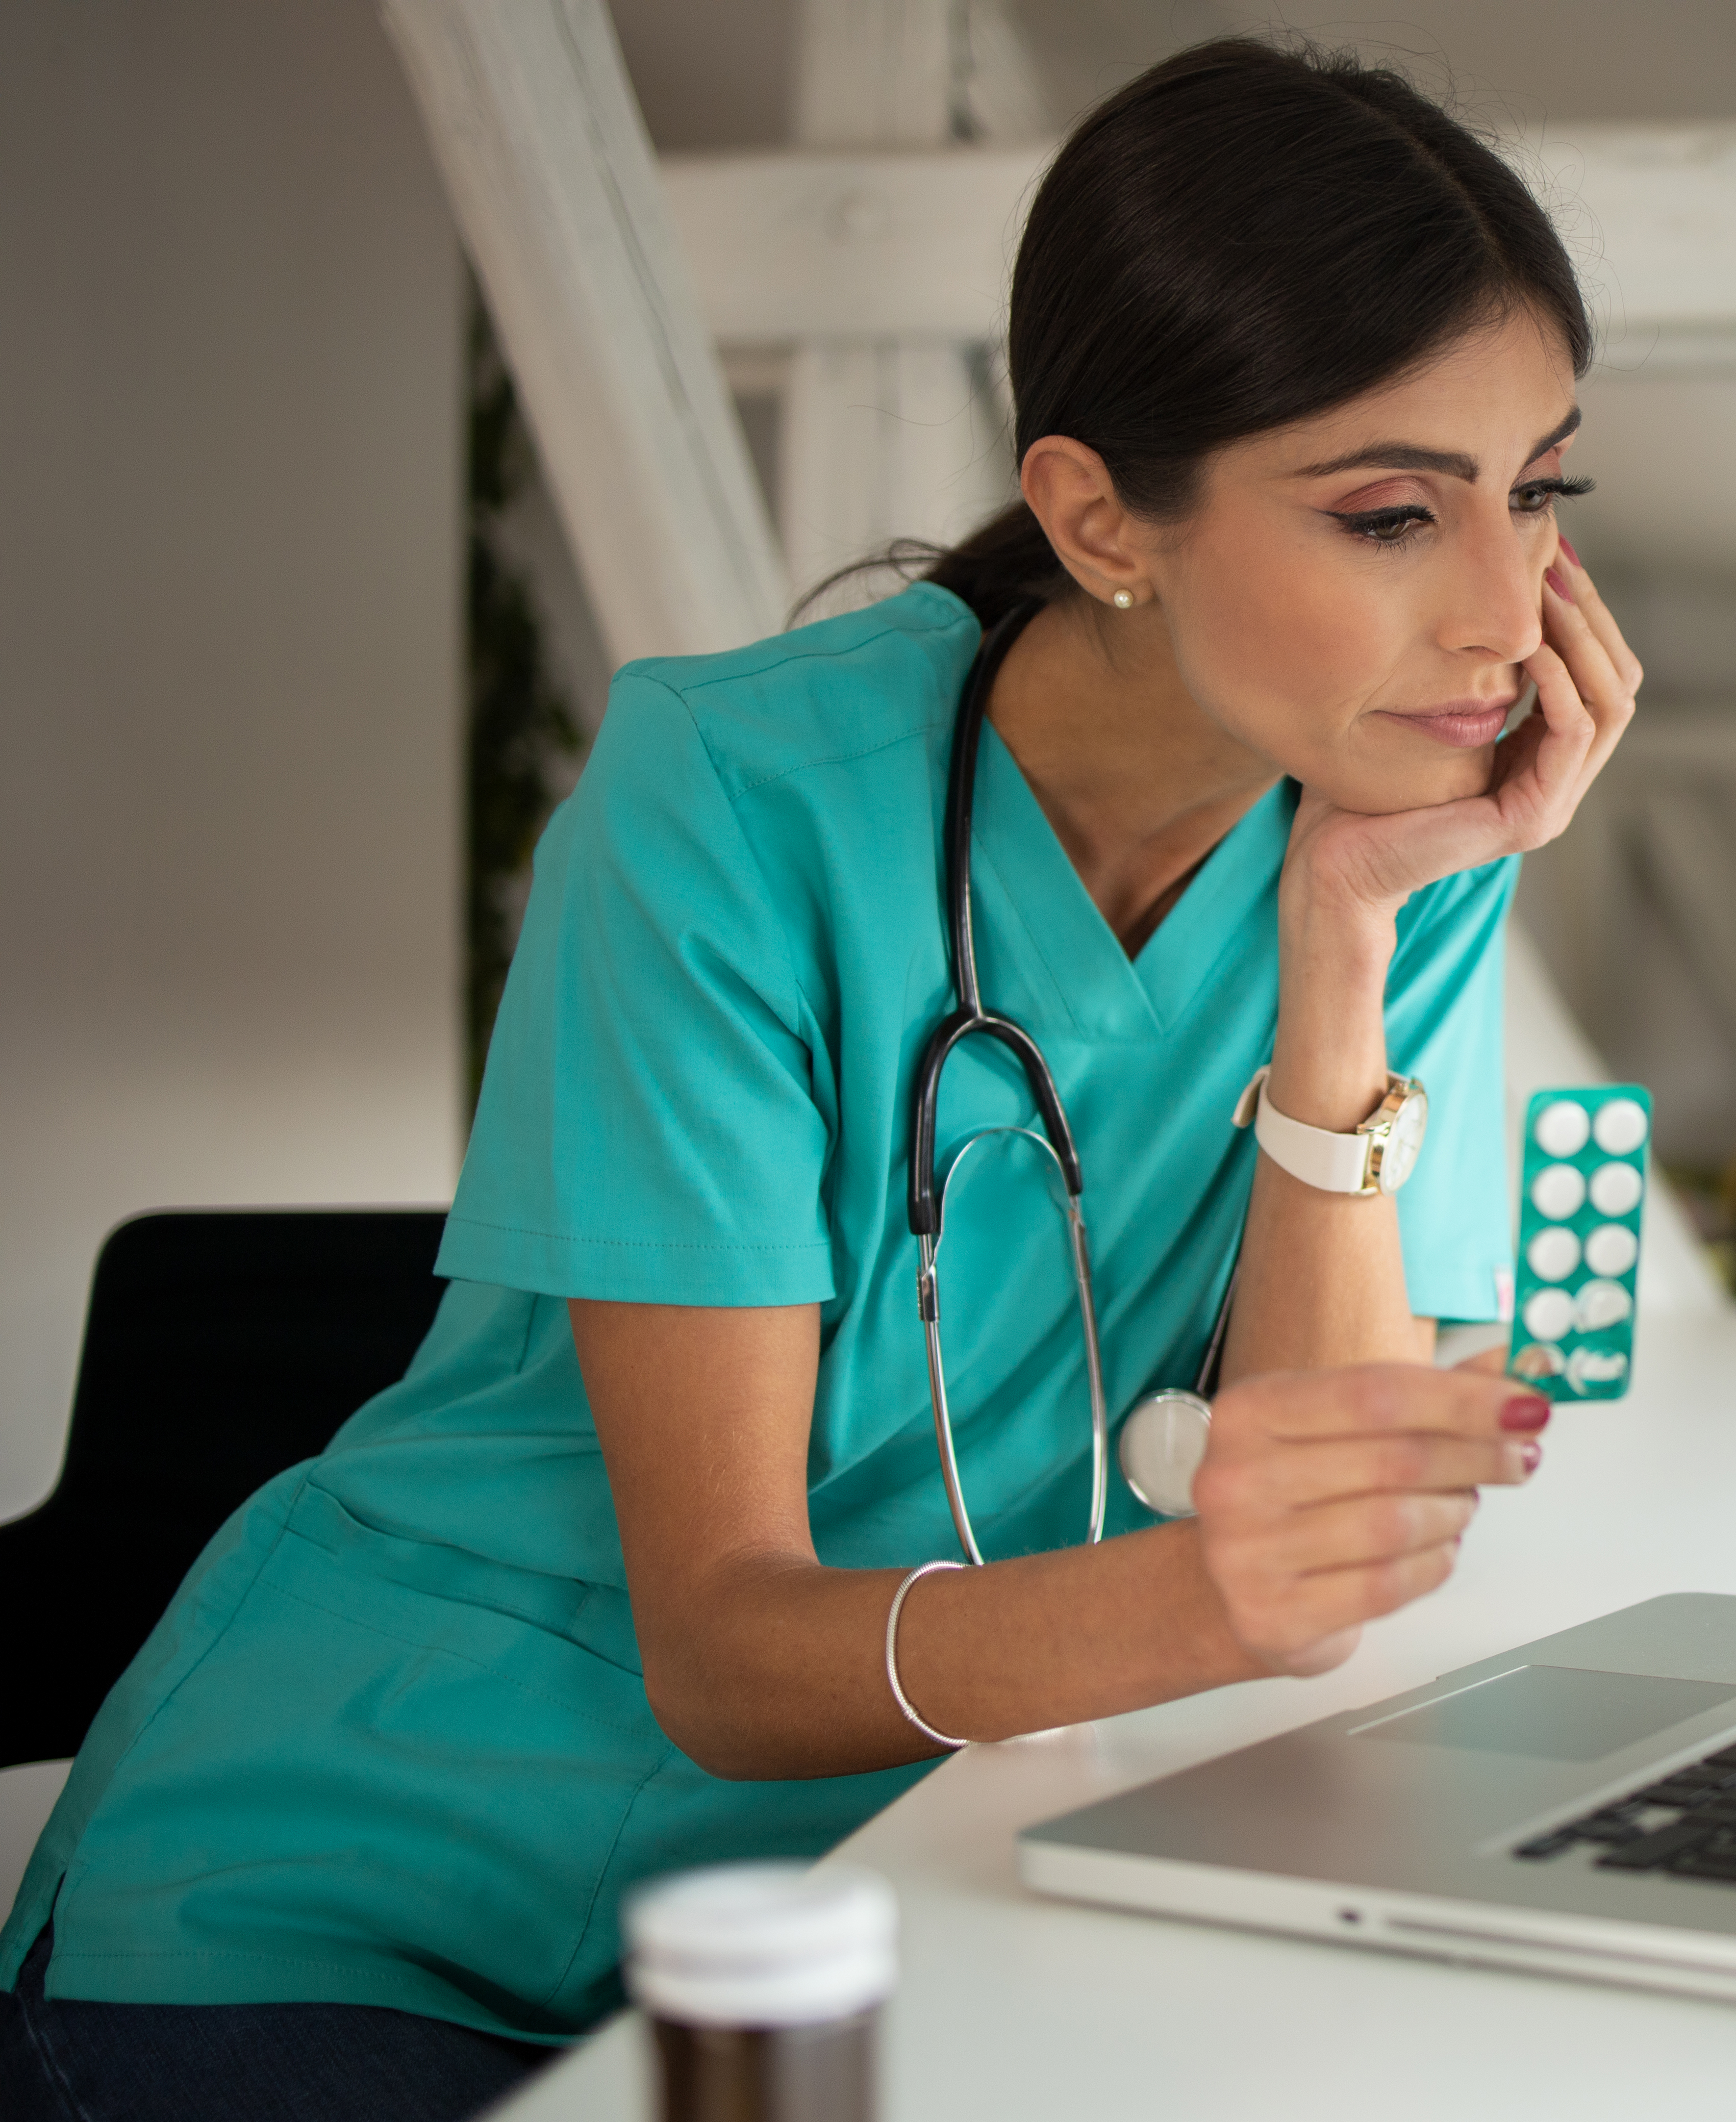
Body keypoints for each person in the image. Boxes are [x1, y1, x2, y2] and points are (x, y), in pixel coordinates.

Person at [0, 37, 1639, 2121]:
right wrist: (1196, 1595)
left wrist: (1346, 944)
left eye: (1541, 490)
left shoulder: (1401, 839)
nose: (1511, 614)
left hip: (861, 1896)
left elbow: (1298, 1522)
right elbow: (731, 1640)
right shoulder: (732, 803)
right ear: (1098, 515)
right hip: (364, 1903)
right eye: (1397, 510)